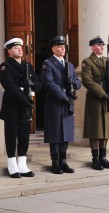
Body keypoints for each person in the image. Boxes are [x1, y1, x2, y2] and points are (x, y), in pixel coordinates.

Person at [0, 38, 41, 178]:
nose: (19, 49)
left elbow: (37, 82)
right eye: (16, 47)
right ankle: (12, 166)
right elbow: (10, 87)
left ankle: (22, 165)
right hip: (12, 107)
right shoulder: (5, 67)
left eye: (20, 47)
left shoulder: (27, 66)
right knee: (11, 137)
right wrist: (26, 100)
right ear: (9, 51)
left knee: (24, 137)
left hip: (25, 108)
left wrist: (33, 87)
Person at [41, 35, 81, 174]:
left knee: (66, 132)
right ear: (53, 49)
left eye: (64, 46)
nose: (62, 48)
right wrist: (63, 96)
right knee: (55, 132)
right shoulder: (48, 64)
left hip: (68, 101)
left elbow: (78, 82)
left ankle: (64, 161)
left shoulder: (69, 65)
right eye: (59, 46)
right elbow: (49, 83)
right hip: (56, 101)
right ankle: (55, 162)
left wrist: (73, 83)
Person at [81, 36, 109, 170]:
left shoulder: (107, 61)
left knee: (106, 129)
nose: (102, 47)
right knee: (96, 129)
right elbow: (87, 81)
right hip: (96, 98)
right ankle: (95, 158)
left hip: (107, 98)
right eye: (98, 45)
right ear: (92, 47)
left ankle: (103, 157)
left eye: (103, 45)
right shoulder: (87, 62)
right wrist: (103, 94)